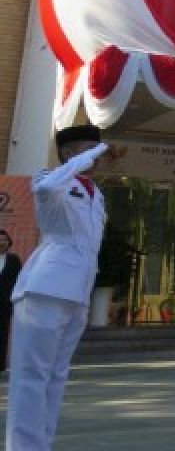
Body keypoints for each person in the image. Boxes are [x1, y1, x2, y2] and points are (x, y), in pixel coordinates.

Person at [6, 125, 107, 451]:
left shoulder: (96, 194)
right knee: (31, 376)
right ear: (68, 153)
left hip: (77, 291)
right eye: (88, 148)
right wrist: (87, 156)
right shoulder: (50, 180)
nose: (96, 157)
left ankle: (41, 444)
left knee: (56, 376)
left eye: (98, 149)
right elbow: (47, 186)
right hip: (44, 289)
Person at [0, 229, 21, 372]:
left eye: (4, 240)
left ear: (8, 242)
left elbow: (19, 280)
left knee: (3, 333)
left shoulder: (13, 260)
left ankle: (1, 364)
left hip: (5, 303)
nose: (2, 242)